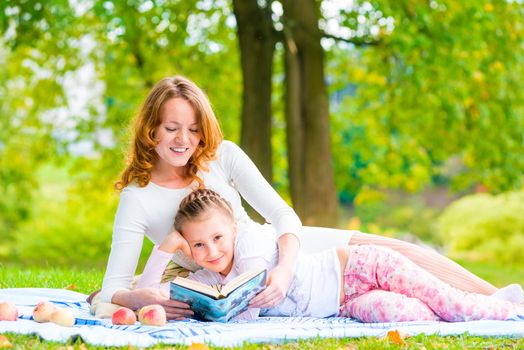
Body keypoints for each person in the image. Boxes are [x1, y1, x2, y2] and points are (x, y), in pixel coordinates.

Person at [94, 75, 520, 320]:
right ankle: (469, 308)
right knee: (127, 292)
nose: (183, 140)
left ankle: (498, 300)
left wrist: (283, 271)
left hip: (283, 252)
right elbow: (115, 287)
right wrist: (137, 298)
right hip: (225, 277)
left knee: (404, 255)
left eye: (192, 129)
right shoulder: (139, 198)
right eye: (171, 128)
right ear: (150, 130)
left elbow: (283, 216)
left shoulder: (220, 156)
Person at [138, 189, 524, 322]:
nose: (212, 251)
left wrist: (215, 310)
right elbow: (149, 293)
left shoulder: (251, 244)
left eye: (218, 238)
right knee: (411, 315)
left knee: (450, 304)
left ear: (233, 230)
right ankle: (470, 304)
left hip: (359, 266)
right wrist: (165, 248)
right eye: (198, 245)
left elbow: (248, 300)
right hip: (346, 304)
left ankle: (509, 306)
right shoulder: (206, 278)